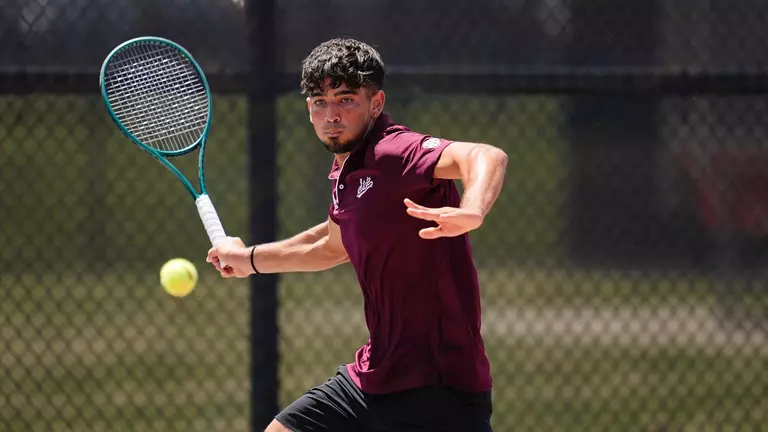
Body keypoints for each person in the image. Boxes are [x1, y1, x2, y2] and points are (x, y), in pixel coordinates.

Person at [206, 37, 509, 432]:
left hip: (438, 385)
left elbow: (486, 155)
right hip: (376, 375)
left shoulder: (395, 151)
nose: (331, 114)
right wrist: (247, 260)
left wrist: (473, 209)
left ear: (376, 103)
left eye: (346, 100)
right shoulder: (346, 172)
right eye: (320, 102)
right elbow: (330, 245)